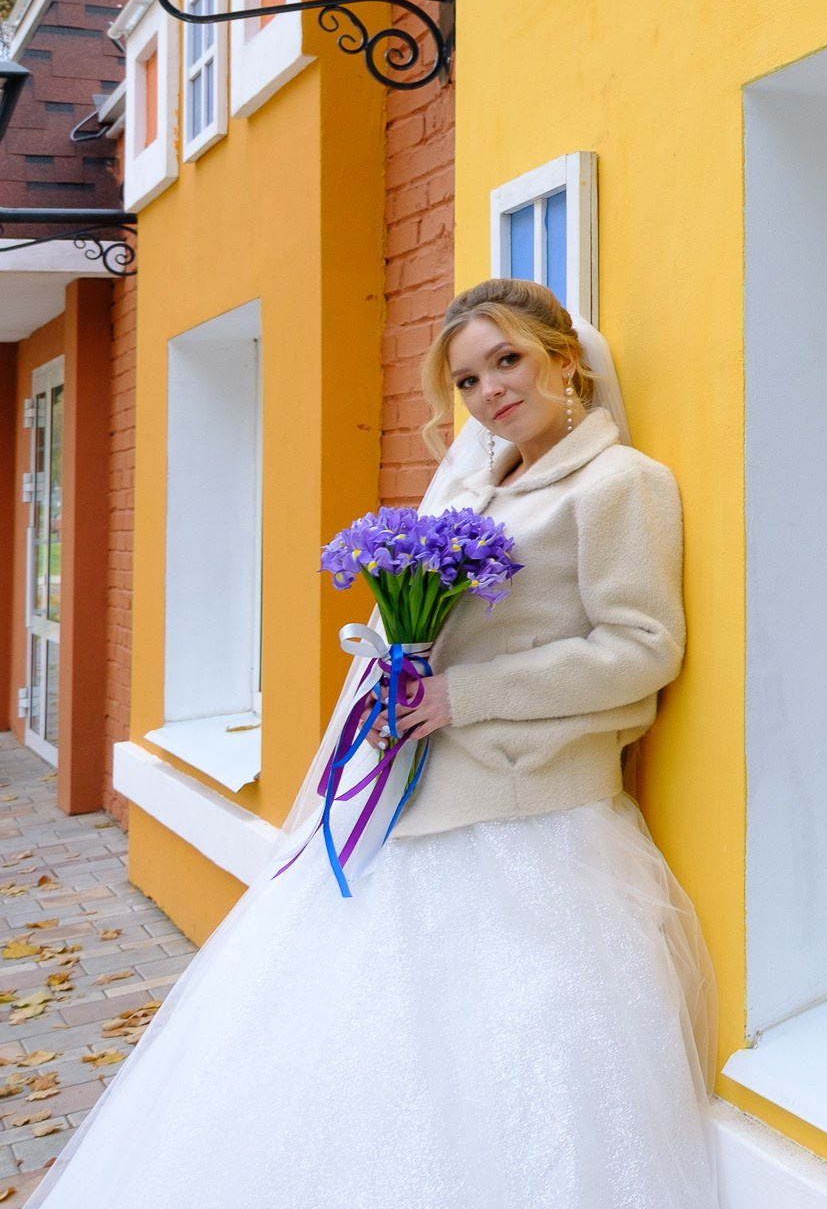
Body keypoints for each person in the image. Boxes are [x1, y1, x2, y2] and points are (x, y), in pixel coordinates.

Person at [33, 279, 716, 1208]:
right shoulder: (478, 483)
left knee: (512, 1069)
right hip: (415, 801)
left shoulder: (619, 485)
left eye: (507, 361)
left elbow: (641, 649)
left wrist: (458, 694)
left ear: (567, 360)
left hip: (532, 820)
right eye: (468, 380)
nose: (489, 394)